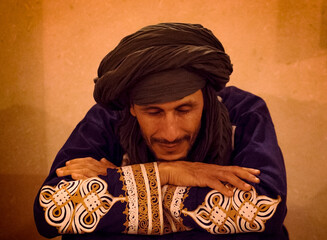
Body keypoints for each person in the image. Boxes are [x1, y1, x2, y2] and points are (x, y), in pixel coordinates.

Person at [34, 23, 288, 240]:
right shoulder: (108, 117)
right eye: (153, 112)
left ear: (207, 98)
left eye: (184, 109)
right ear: (131, 108)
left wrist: (120, 182)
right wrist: (167, 173)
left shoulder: (244, 112)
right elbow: (51, 210)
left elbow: (264, 210)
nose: (170, 133)